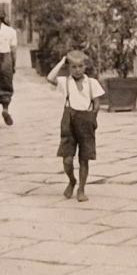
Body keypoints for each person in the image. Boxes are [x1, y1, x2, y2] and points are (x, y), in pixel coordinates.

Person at [47, 50, 105, 202]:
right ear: (69, 68)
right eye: (73, 67)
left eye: (80, 66)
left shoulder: (92, 83)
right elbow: (50, 78)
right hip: (69, 121)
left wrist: (92, 116)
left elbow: (97, 103)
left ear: (85, 66)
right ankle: (72, 180)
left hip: (86, 121)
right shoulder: (65, 82)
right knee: (67, 159)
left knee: (84, 158)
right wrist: (62, 61)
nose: (77, 70)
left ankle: (81, 188)